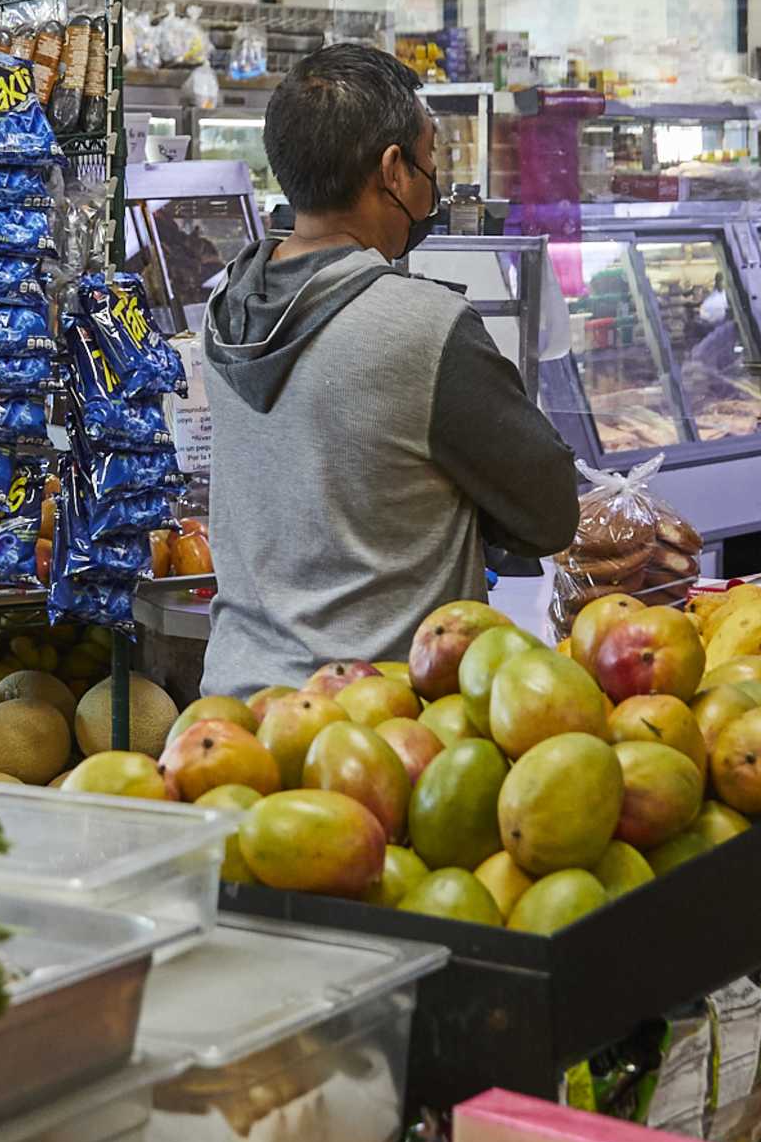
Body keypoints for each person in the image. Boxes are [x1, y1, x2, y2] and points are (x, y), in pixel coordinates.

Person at [201, 46, 580, 699]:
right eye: (430, 160)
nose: (433, 179)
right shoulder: (425, 328)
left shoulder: (225, 309)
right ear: (393, 170)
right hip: (376, 725)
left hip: (234, 716)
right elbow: (548, 516)